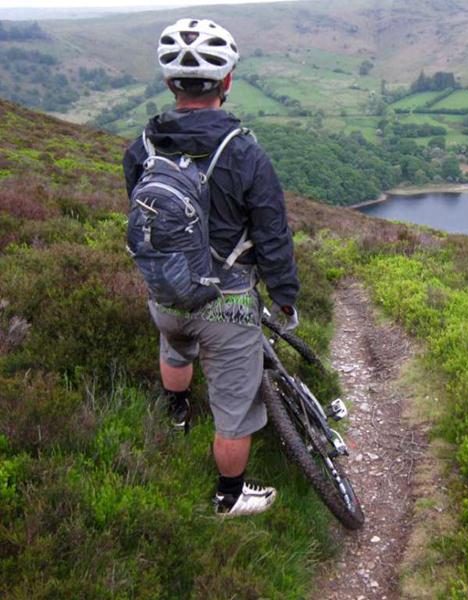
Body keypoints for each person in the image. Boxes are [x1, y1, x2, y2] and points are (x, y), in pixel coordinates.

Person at [122, 18, 300, 517]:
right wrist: (285, 295)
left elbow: (145, 214)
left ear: (168, 83)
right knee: (235, 404)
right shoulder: (244, 152)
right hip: (225, 304)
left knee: (175, 347)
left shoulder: (143, 146)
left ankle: (175, 413)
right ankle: (230, 496)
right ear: (227, 82)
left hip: (166, 291)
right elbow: (272, 234)